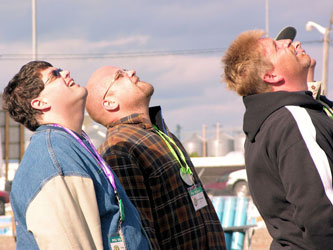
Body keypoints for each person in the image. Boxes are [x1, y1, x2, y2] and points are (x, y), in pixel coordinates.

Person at [2, 61, 150, 250]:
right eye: (55, 74)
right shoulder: (54, 157)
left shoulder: (69, 146)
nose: (66, 72)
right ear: (40, 103)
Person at [85, 66, 226, 250]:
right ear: (110, 102)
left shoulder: (157, 133)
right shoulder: (118, 150)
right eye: (120, 75)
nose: (132, 72)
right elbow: (141, 234)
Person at [222, 29, 333, 249]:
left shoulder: (274, 121)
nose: (288, 42)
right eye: (276, 46)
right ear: (271, 76)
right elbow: (323, 212)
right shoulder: (293, 119)